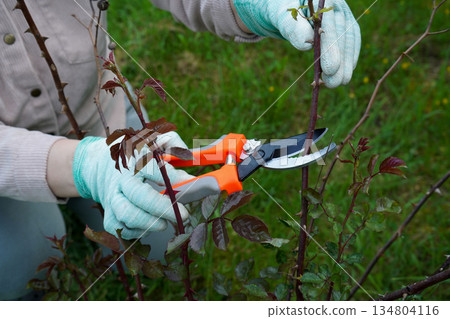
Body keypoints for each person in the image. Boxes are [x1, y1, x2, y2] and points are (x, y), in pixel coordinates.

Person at [0, 0, 360, 300]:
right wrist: (80, 166)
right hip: (11, 166)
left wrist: (251, 4)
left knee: (159, 240)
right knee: (25, 270)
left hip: (104, 123)